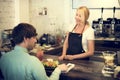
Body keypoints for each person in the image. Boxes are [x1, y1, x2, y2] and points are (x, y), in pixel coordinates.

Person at [0, 23, 68, 80]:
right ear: (25, 39)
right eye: (34, 37)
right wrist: (58, 69)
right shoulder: (33, 61)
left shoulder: (4, 58)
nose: (35, 41)